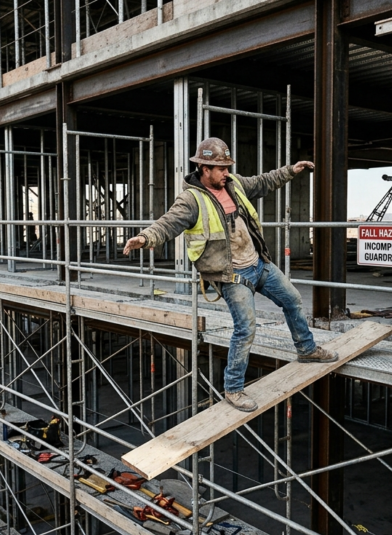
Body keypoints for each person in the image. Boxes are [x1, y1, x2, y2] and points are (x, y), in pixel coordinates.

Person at [123, 138, 338, 412]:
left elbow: (262, 182)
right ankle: (234, 389)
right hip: (231, 274)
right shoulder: (191, 199)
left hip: (259, 264)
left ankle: (307, 350)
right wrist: (145, 238)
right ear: (203, 167)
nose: (226, 173)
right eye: (220, 168)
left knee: (293, 300)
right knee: (246, 328)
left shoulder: (233, 184)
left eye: (227, 167)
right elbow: (168, 223)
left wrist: (290, 171)